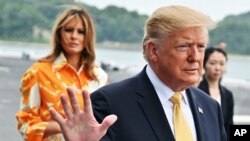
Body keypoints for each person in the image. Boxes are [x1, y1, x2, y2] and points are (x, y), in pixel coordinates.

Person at [50, 5, 227, 141]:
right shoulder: (110, 103)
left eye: (201, 47)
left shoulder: (211, 107)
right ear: (153, 51)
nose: (195, 57)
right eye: (184, 46)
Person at [16, 5, 108, 141]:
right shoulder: (37, 72)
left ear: (88, 36)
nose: (74, 36)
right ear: (59, 34)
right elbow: (25, 126)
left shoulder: (100, 76)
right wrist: (63, 126)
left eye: (81, 31)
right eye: (69, 30)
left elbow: (102, 124)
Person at [198, 47, 234, 138]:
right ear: (204, 64)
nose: (217, 68)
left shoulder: (228, 94)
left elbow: (229, 124)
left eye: (222, 64)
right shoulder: (196, 91)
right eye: (213, 63)